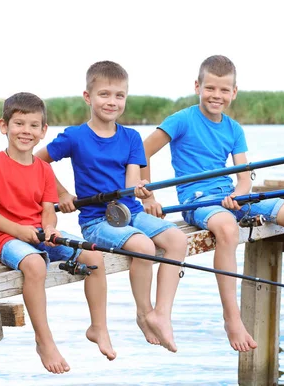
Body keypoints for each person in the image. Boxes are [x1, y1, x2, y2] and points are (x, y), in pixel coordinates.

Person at [141, 55, 284, 353]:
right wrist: (149, 196)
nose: (216, 96)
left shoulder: (234, 129)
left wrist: (241, 193)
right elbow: (141, 153)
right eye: (210, 88)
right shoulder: (181, 120)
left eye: (223, 90)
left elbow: (244, 177)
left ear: (234, 92)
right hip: (198, 200)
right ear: (197, 86)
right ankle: (232, 318)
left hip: (231, 196)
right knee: (228, 228)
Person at [35, 61, 189, 353]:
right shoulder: (75, 136)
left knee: (177, 239)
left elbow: (132, 181)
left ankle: (162, 313)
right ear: (87, 96)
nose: (112, 101)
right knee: (143, 246)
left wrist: (141, 190)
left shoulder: (131, 137)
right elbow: (38, 162)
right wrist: (63, 193)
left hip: (131, 213)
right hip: (96, 221)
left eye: (119, 95)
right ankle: (144, 313)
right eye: (104, 94)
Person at [0, 92, 116, 374]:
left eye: (33, 125)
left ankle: (98, 327)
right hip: (7, 240)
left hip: (39, 234)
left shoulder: (42, 168)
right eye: (19, 123)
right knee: (36, 264)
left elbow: (47, 208)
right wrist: (20, 231)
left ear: (43, 131)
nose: (25, 131)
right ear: (4, 126)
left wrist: (49, 228)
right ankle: (44, 339)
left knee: (93, 255)